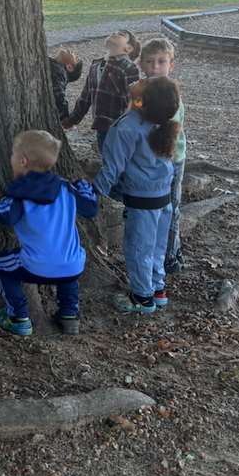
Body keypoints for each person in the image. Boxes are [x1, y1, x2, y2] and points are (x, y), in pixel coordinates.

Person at [0, 130, 96, 336]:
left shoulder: (20, 193)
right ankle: (69, 315)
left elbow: (5, 214)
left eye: (13, 155)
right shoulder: (66, 188)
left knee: (0, 264)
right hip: (72, 265)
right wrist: (84, 186)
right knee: (67, 265)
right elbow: (90, 208)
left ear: (23, 161)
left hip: (36, 265)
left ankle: (19, 318)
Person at [92, 76, 180, 313]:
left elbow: (113, 167)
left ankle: (142, 298)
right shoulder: (158, 121)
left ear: (139, 101)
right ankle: (157, 289)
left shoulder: (125, 127)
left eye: (146, 81)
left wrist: (93, 191)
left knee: (139, 248)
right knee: (157, 246)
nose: (141, 77)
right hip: (163, 197)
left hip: (142, 200)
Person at [138, 38, 187, 276]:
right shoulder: (141, 89)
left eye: (161, 61)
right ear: (141, 64)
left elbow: (167, 128)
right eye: (150, 61)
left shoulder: (170, 94)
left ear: (172, 65)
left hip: (172, 157)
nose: (155, 67)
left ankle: (171, 255)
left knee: (171, 206)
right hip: (150, 161)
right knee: (156, 206)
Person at [61, 29, 140, 155]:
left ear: (128, 48)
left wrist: (135, 127)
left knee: (122, 162)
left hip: (121, 129)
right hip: (101, 127)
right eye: (114, 32)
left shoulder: (129, 67)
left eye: (121, 34)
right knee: (107, 160)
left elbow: (135, 99)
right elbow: (86, 96)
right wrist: (73, 119)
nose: (114, 33)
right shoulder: (95, 65)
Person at [49, 48, 83, 121]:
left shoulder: (59, 72)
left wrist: (64, 115)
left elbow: (59, 95)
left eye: (76, 57)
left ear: (69, 67)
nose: (73, 51)